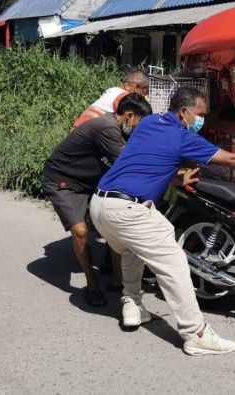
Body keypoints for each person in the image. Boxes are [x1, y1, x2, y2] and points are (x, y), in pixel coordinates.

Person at [90, 86, 235, 355]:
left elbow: (146, 159)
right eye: (200, 115)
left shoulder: (151, 121)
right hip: (129, 210)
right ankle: (196, 333)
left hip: (101, 205)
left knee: (134, 248)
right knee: (175, 264)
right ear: (184, 112)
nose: (202, 120)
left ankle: (132, 306)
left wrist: (176, 177)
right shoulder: (181, 137)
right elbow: (233, 159)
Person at [42, 93, 153, 307]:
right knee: (81, 232)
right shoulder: (107, 127)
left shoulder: (116, 127)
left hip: (89, 179)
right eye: (139, 122)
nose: (139, 128)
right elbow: (125, 163)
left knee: (111, 220)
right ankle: (92, 285)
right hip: (63, 181)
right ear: (129, 115)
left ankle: (117, 280)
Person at [72, 71, 150, 130]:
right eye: (143, 94)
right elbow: (129, 122)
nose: (142, 97)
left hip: (78, 128)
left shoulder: (112, 90)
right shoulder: (124, 97)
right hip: (89, 133)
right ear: (137, 87)